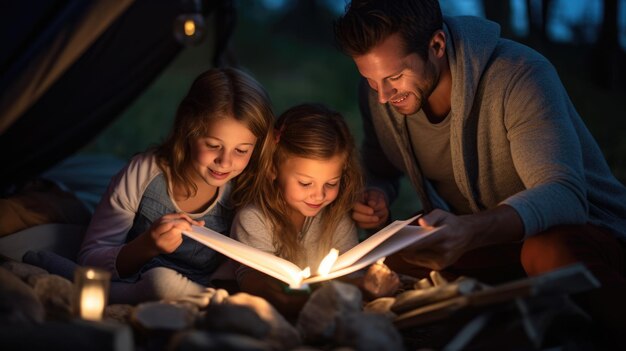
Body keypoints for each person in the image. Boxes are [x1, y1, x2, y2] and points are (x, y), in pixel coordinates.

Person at [334, 0, 626, 347]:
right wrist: (377, 193)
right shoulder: (379, 96)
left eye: (395, 77)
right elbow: (379, 168)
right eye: (369, 79)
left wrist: (469, 231)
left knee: (545, 250)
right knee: (390, 255)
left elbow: (564, 194)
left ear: (437, 45)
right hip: (489, 240)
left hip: (585, 233)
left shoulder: (519, 73)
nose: (382, 95)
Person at [78, 68, 275, 306]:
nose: (225, 162)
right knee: (159, 282)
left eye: (241, 150)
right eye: (213, 145)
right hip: (131, 283)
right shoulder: (144, 173)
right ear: (189, 130)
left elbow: (235, 273)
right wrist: (147, 245)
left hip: (198, 296)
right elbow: (90, 258)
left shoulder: (244, 192)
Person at [231, 103, 399, 320]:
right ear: (273, 169)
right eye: (305, 183)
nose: (319, 196)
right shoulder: (253, 219)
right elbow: (263, 290)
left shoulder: (335, 217)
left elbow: (349, 276)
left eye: (331, 184)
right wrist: (358, 288)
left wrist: (369, 282)